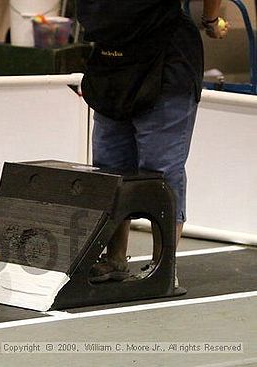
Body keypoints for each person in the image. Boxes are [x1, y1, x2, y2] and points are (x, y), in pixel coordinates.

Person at [75, 0, 229, 285]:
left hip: (165, 62)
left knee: (161, 171)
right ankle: (115, 259)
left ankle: (163, 268)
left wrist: (210, 19)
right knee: (109, 168)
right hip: (112, 61)